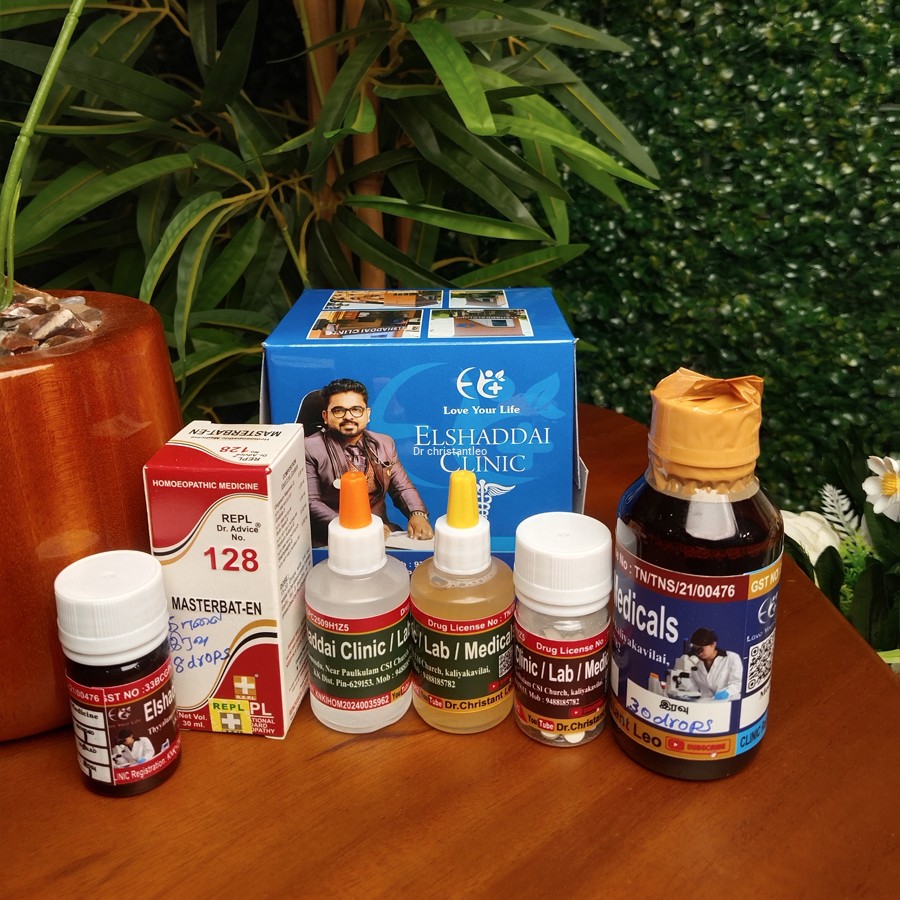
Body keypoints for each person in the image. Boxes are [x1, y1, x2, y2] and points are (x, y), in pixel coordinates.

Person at [304, 378, 434, 547]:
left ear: (368, 414)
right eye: (339, 410)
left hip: (383, 534)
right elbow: (311, 502)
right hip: (333, 540)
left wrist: (417, 514)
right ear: (326, 416)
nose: (348, 416)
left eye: (356, 410)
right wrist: (356, 527)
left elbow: (402, 488)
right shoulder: (309, 448)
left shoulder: (385, 444)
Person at [688, 627, 744, 701]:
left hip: (725, 702)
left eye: (700, 649)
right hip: (703, 702)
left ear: (713, 644)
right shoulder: (693, 662)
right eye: (695, 649)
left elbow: (737, 683)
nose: (699, 653)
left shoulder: (732, 658)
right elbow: (692, 684)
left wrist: (728, 692)